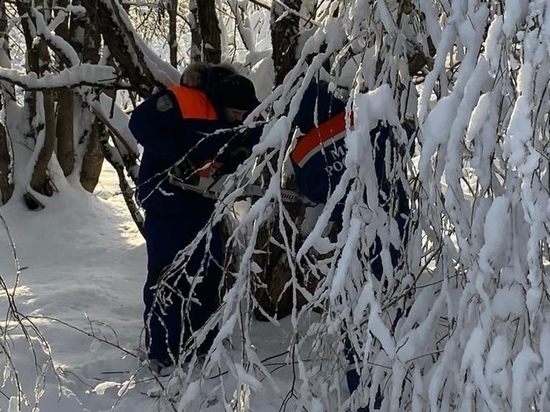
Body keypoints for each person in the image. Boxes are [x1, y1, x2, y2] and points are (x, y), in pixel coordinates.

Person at [289, 80, 413, 410]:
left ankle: (367, 397)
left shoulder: (304, 150)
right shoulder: (370, 116)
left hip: (353, 236)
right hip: (396, 221)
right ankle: (396, 387)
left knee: (358, 318)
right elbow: (407, 141)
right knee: (394, 306)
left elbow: (312, 192)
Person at [128, 63, 261, 371]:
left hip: (205, 204)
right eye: (234, 113)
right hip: (166, 200)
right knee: (168, 274)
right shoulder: (183, 101)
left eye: (243, 114)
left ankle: (204, 341)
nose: (238, 118)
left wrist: (240, 155)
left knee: (208, 270)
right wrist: (179, 157)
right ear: (218, 101)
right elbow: (140, 123)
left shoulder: (245, 109)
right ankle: (163, 350)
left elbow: (256, 134)